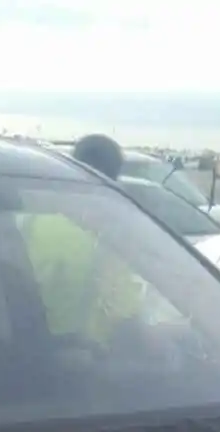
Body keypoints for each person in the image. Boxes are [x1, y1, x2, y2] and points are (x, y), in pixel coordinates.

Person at [20, 133, 142, 341]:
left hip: (27, 349)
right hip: (88, 360)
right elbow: (124, 314)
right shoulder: (106, 242)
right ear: (110, 181)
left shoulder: (28, 224)